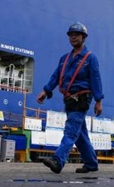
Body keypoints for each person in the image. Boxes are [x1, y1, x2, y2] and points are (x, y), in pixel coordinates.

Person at [36, 22, 104, 174]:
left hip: (81, 100)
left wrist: (99, 101)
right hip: (69, 100)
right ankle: (91, 164)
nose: (73, 37)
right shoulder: (64, 59)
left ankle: (58, 160)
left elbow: (96, 79)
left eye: (77, 34)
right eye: (71, 34)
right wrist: (46, 91)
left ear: (83, 37)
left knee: (71, 131)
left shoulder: (90, 58)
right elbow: (56, 76)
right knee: (80, 134)